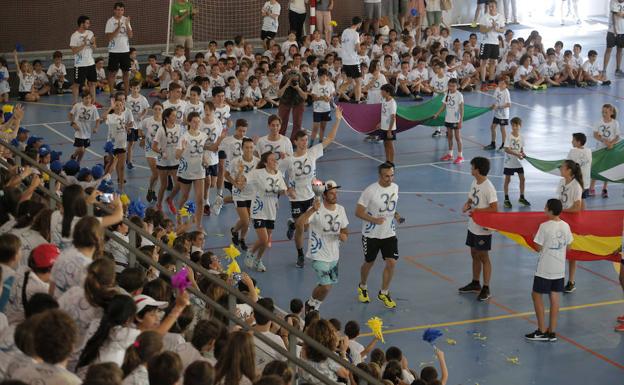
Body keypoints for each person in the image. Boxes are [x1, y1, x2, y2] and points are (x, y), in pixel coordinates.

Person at [286, 107, 342, 267]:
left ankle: (292, 223)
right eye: (301, 140)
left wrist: (338, 119)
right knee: (300, 227)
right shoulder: (289, 159)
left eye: (306, 139)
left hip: (312, 196)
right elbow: (276, 172)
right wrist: (286, 188)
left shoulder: (313, 152)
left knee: (306, 225)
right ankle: (300, 255)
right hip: (296, 198)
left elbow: (330, 138)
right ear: (295, 142)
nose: (304, 142)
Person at [356, 162, 404, 309]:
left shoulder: (395, 188)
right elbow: (358, 212)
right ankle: (363, 286)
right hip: (371, 234)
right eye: (386, 176)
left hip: (389, 233)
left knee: (391, 262)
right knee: (369, 263)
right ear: (380, 176)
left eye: (392, 175)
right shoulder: (370, 191)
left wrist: (396, 216)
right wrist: (374, 220)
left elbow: (391, 207)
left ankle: (384, 292)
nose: (390, 179)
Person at [296, 180, 348, 312]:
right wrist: (312, 209)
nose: (335, 195)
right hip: (318, 254)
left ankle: (311, 303)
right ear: (324, 195)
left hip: (334, 255)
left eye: (336, 193)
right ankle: (315, 306)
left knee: (326, 286)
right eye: (331, 193)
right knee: (326, 286)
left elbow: (345, 230)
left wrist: (344, 236)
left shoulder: (341, 210)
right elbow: (300, 224)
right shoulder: (316, 209)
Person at [525, 199, 573, 342]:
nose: (544, 208)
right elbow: (569, 247)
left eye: (546, 206)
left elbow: (538, 247)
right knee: (554, 298)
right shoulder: (566, 226)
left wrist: (534, 238)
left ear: (550, 210)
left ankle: (541, 330)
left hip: (545, 268)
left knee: (536, 295)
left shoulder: (544, 226)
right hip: (559, 269)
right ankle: (552, 332)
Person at [243, 152, 291, 272]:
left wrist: (286, 192)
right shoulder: (258, 173)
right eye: (271, 160)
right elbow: (244, 178)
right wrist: (239, 173)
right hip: (259, 209)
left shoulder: (279, 174)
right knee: (264, 239)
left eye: (275, 159)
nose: (275, 161)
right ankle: (251, 252)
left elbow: (282, 190)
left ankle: (258, 260)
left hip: (271, 210)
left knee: (266, 240)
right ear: (265, 162)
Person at [459, 157, 498, 301]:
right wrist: (467, 205)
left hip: (483, 228)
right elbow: (471, 199)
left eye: (472, 167)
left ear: (477, 170)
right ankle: (475, 283)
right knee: (474, 253)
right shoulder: (475, 182)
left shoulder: (489, 187)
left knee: (483, 256)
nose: (471, 169)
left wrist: (478, 212)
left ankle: (486, 288)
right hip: (473, 225)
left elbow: (494, 208)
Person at [176, 112, 208, 231]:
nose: (196, 124)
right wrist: (183, 149)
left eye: (198, 121)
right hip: (186, 171)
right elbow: (177, 155)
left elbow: (202, 152)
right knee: (184, 196)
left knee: (200, 199)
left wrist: (205, 160)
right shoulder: (184, 137)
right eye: (194, 122)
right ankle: (179, 215)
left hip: (199, 171)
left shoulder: (203, 135)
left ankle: (199, 225)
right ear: (189, 122)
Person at [556, 160, 583, 294]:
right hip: (560, 220)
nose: (560, 168)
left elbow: (577, 207)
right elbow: (558, 200)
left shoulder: (576, 186)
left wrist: (562, 211)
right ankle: (557, 278)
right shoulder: (561, 182)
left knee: (571, 253)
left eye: (563, 167)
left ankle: (571, 281)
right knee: (558, 249)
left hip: (572, 221)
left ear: (569, 171)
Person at [153, 107, 182, 213]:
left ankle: (170, 199)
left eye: (176, 115)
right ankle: (159, 204)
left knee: (178, 184)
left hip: (175, 161)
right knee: (164, 185)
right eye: (173, 115)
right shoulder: (161, 129)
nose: (176, 117)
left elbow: (182, 143)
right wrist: (161, 152)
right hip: (163, 162)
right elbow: (154, 146)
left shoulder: (179, 128)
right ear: (167, 117)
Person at [590, 104, 620, 198]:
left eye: (606, 112)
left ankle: (605, 188)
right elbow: (595, 134)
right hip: (600, 148)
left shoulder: (615, 123)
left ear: (611, 112)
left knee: (606, 168)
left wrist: (611, 143)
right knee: (596, 167)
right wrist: (603, 141)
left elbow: (617, 136)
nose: (603, 114)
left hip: (610, 148)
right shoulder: (598, 122)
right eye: (602, 112)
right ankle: (591, 187)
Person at [433, 78, 464, 164]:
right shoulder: (447, 94)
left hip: (456, 119)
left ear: (457, 86)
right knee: (449, 137)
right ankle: (450, 154)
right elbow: (443, 106)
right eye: (449, 86)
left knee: (457, 138)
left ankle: (460, 156)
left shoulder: (459, 95)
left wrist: (461, 121)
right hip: (448, 119)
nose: (451, 87)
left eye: (453, 86)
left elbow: (462, 109)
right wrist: (437, 114)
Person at [105, 2, 133, 96]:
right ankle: (112, 93)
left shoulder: (126, 20)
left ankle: (126, 93)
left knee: (126, 72)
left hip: (125, 50)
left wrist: (127, 24)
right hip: (114, 51)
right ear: (114, 10)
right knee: (112, 73)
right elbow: (109, 37)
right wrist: (119, 27)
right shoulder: (110, 21)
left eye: (122, 10)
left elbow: (130, 35)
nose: (120, 12)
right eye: (118, 10)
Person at [502, 117, 530, 208]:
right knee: (508, 180)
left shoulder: (521, 137)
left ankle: (521, 197)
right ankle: (506, 199)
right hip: (509, 162)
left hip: (517, 162)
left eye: (516, 125)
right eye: (513, 125)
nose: (514, 127)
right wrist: (517, 154)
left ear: (520, 126)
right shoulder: (509, 137)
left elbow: (521, 149)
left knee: (522, 179)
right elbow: (507, 149)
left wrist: (522, 154)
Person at [70, 15, 98, 105]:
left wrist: (93, 43)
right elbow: (74, 51)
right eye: (87, 23)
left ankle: (93, 102)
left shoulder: (90, 33)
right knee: (77, 84)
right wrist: (84, 44)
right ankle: (75, 103)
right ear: (82, 24)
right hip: (80, 64)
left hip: (90, 62)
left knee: (92, 83)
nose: (89, 24)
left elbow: (95, 48)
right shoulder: (74, 36)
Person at [478, 1, 506, 91]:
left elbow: (503, 30)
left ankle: (491, 81)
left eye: (492, 6)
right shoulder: (484, 17)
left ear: (496, 7)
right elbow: (481, 30)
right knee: (484, 62)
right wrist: (491, 27)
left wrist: (496, 28)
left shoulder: (500, 17)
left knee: (493, 62)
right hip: (486, 42)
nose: (491, 8)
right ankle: (483, 82)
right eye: (490, 6)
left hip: (495, 43)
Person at [69, 91, 100, 163]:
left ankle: (78, 162)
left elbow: (98, 119)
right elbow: (70, 115)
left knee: (83, 150)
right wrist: (73, 124)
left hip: (87, 133)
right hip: (79, 131)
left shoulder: (93, 108)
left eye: (89, 98)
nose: (88, 100)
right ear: (82, 99)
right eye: (86, 98)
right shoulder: (77, 105)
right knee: (81, 149)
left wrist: (96, 128)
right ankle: (73, 156)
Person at [277, 69, 308, 141]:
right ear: (289, 77)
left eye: (296, 79)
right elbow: (279, 95)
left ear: (299, 77)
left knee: (297, 122)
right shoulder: (285, 80)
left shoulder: (302, 81)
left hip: (298, 101)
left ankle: (294, 141)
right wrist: (286, 85)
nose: (294, 80)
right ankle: (280, 139)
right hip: (285, 101)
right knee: (282, 121)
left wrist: (298, 88)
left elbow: (305, 97)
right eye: (292, 79)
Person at [484, 78, 510, 150]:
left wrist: (498, 106)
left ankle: (504, 145)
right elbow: (496, 100)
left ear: (506, 85)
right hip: (497, 113)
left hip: (503, 114)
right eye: (500, 83)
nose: (501, 85)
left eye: (503, 83)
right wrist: (493, 105)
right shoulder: (497, 89)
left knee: (502, 129)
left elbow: (508, 104)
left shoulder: (506, 92)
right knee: (492, 127)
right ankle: (493, 144)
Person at [342, 17, 364, 103]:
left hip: (345, 60)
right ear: (359, 24)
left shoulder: (344, 31)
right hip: (353, 61)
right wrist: (361, 41)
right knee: (358, 82)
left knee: (350, 81)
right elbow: (358, 49)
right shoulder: (355, 34)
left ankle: (337, 92)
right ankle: (358, 100)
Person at [566, 133, 592, 203]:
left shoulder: (572, 152)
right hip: (585, 182)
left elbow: (567, 164)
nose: (572, 141)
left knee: (574, 201)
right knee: (583, 200)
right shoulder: (589, 151)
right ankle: (584, 214)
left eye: (573, 140)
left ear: (578, 142)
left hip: (576, 182)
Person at [378, 84, 397, 164]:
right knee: (385, 144)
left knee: (390, 145)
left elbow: (393, 117)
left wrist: (389, 130)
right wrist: (380, 123)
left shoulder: (392, 103)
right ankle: (387, 160)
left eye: (382, 91)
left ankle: (391, 162)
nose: (381, 93)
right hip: (384, 127)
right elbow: (384, 114)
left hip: (390, 128)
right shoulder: (384, 100)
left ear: (388, 93)